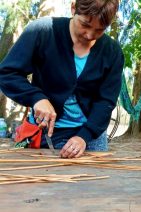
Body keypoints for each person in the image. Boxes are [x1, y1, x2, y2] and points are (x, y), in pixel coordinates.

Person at [0, 0, 124, 158]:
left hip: (89, 137)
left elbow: (105, 102)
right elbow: (7, 73)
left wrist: (84, 136)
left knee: (92, 181)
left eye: (100, 30)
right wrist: (36, 98)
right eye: (85, 25)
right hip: (43, 132)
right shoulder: (42, 31)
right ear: (73, 8)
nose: (90, 35)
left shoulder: (112, 52)